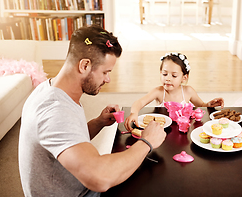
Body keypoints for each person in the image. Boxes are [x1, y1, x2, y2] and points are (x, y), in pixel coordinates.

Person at [18, 25, 166, 197]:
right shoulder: (54, 111)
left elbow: (69, 140)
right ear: (85, 65)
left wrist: (98, 122)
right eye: (105, 72)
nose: (108, 79)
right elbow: (100, 178)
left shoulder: (50, 89)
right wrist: (146, 142)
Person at [125, 52, 224, 130]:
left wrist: (209, 104)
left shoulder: (188, 91)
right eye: (164, 74)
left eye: (174, 76)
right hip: (162, 131)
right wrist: (134, 112)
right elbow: (140, 102)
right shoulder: (159, 92)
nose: (168, 78)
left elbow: (202, 106)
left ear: (184, 77)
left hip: (183, 130)